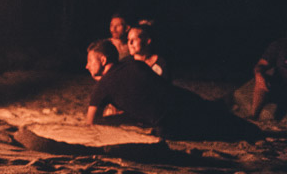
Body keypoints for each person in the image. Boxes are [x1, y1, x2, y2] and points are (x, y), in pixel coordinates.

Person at [84, 39, 258, 141]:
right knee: (238, 127)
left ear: (103, 59)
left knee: (223, 132)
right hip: (186, 101)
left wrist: (121, 117)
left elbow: (91, 121)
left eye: (90, 61)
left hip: (170, 123)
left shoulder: (103, 85)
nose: (86, 66)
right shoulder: (134, 63)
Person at [251, 34, 287, 121]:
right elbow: (261, 64)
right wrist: (259, 75)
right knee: (262, 79)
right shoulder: (280, 44)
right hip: (282, 87)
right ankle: (253, 117)